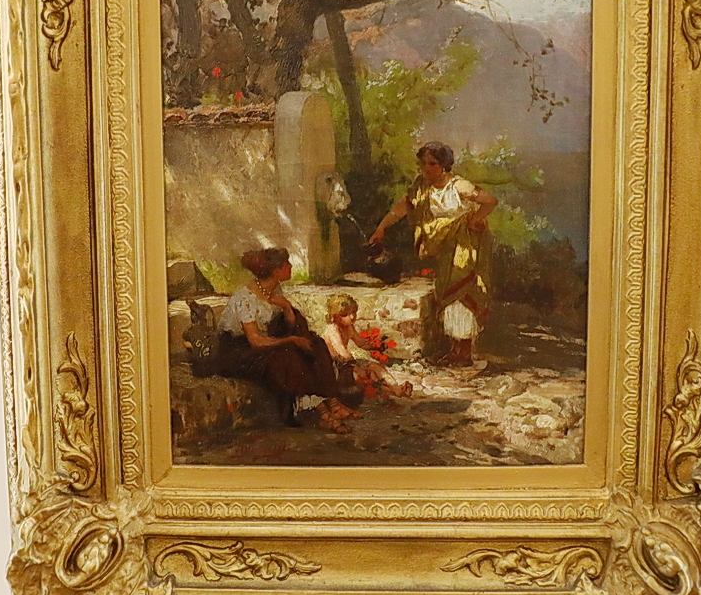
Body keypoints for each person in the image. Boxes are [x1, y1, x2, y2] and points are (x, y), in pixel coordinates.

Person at [368, 142, 497, 368]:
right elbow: (400, 209)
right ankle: (455, 351)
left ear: (444, 164)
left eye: (433, 164)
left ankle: (464, 352)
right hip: (445, 249)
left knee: (462, 291)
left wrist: (474, 220)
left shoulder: (459, 186)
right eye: (424, 164)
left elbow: (490, 201)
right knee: (446, 292)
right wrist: (381, 228)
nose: (427, 168)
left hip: (465, 248)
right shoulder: (421, 187)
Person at [211, 247, 355, 433]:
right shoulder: (245, 299)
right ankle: (322, 414)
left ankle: (334, 404)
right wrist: (291, 340)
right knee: (289, 358)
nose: (291, 266)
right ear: (276, 270)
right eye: (287, 264)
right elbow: (255, 341)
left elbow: (287, 325)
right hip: (240, 351)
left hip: (266, 341)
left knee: (315, 344)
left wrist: (287, 308)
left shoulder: (274, 289)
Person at [322, 294, 412, 399]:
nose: (352, 317)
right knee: (368, 376)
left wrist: (377, 345)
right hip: (333, 366)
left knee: (374, 366)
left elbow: (360, 343)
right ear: (335, 316)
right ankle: (394, 391)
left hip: (345, 363)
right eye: (345, 315)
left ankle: (396, 388)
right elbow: (343, 354)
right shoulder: (333, 330)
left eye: (353, 312)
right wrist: (358, 369)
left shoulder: (348, 327)